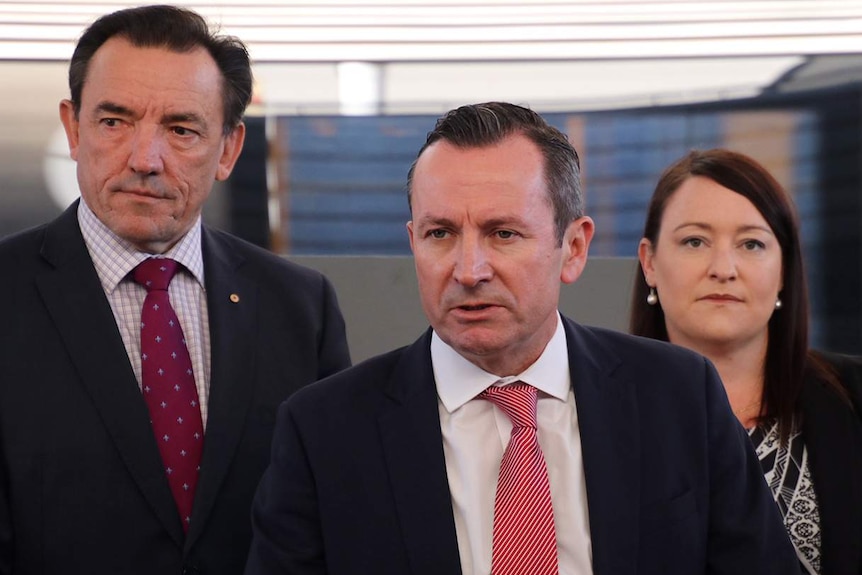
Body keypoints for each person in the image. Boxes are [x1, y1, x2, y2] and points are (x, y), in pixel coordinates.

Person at [244, 102, 798, 575]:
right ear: (413, 242)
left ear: (574, 248)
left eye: (503, 233)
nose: (468, 269)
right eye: (440, 234)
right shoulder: (324, 431)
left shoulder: (678, 395)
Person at [0, 5, 351, 574]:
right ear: (72, 127)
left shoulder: (299, 307)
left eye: (181, 129)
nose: (145, 159)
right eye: (114, 122)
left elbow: (334, 519)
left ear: (229, 150)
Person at [630, 148, 862, 575]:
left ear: (784, 270)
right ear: (650, 263)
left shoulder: (855, 397)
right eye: (694, 241)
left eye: (751, 244)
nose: (724, 268)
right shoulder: (592, 410)